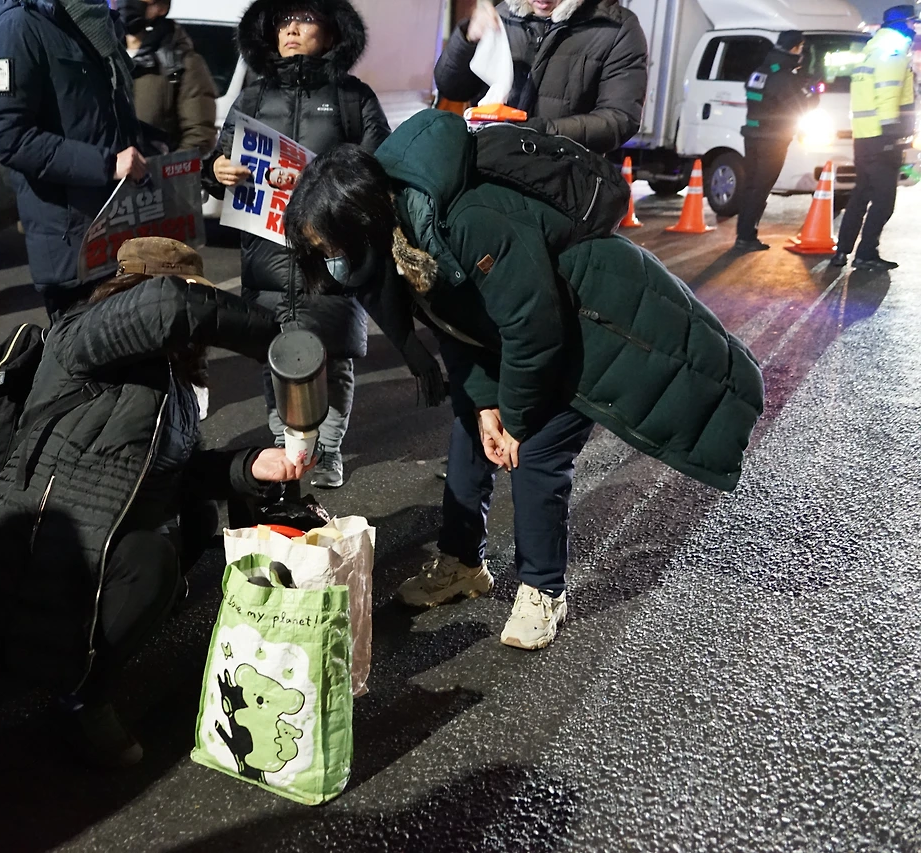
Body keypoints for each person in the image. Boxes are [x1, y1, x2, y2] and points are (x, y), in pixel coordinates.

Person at [286, 110, 764, 650]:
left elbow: (534, 329)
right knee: (471, 435)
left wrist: (514, 417)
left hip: (590, 325)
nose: (330, 261)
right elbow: (453, 326)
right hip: (518, 334)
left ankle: (543, 590)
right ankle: (463, 564)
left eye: (331, 247)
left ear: (364, 221)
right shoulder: (400, 241)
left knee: (536, 453)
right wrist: (485, 404)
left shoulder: (466, 220)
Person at [0, 238, 311, 767]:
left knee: (197, 520)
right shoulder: (81, 336)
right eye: (196, 299)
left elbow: (181, 477)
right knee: (153, 561)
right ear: (135, 290)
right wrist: (282, 338)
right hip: (42, 543)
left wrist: (249, 465)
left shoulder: (174, 384)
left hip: (100, 533)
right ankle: (84, 692)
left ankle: (97, 639)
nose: (200, 322)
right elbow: (167, 306)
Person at [205, 0, 390, 489]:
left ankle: (328, 449)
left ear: (331, 34)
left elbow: (378, 168)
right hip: (264, 255)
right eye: (284, 21)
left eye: (305, 20)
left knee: (331, 355)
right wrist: (216, 170)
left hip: (329, 255)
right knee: (277, 355)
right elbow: (219, 160)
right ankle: (285, 442)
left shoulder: (352, 97)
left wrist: (324, 184)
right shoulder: (252, 97)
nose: (292, 30)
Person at [0, 0, 149, 319]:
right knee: (91, 351)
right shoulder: (17, 26)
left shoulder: (92, 22)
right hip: (74, 247)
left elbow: (101, 121)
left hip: (118, 232)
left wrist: (155, 147)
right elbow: (8, 136)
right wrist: (106, 164)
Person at [433, 0, 648, 154]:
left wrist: (538, 132)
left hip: (563, 178)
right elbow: (451, 87)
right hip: (490, 167)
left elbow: (619, 119)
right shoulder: (502, 16)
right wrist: (467, 39)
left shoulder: (616, 28)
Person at [831, 6, 916, 271]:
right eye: (911, 23)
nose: (914, 28)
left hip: (864, 137)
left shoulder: (872, 50)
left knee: (860, 195)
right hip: (882, 138)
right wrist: (893, 134)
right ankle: (866, 253)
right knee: (883, 201)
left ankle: (842, 251)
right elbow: (888, 94)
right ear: (901, 24)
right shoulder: (893, 51)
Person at [734, 31, 814, 253]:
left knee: (751, 185)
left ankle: (743, 234)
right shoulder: (784, 77)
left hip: (752, 136)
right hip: (772, 140)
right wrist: (810, 92)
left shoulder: (761, 70)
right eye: (801, 48)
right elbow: (800, 107)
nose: (802, 52)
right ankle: (747, 237)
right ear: (795, 48)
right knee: (761, 187)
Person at [119, 0, 218, 157]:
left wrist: (162, 169)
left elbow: (199, 135)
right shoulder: (103, 56)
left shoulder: (182, 63)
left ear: (161, 7)